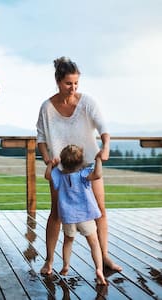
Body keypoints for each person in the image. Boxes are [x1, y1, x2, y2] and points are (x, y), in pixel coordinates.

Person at [36, 56, 122, 275]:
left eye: (76, 83)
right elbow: (41, 139)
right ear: (58, 81)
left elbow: (103, 128)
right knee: (56, 212)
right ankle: (49, 261)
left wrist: (106, 147)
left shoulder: (87, 103)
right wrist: (48, 160)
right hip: (60, 169)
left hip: (89, 167)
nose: (73, 88)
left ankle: (104, 258)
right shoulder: (47, 107)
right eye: (68, 83)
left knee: (100, 210)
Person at [45, 144, 107, 285]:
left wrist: (51, 164)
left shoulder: (59, 176)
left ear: (62, 161)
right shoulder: (83, 174)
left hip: (68, 218)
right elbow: (98, 175)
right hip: (85, 216)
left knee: (68, 241)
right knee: (94, 242)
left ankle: (66, 265)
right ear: (81, 161)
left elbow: (47, 176)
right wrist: (98, 160)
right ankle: (99, 269)